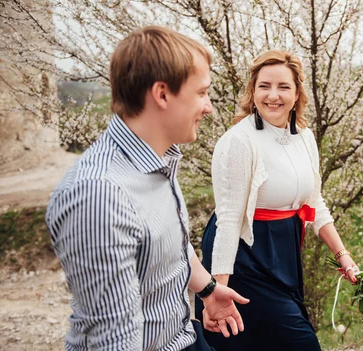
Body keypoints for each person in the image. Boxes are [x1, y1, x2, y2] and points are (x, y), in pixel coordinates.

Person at [45, 26, 249, 350]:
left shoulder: (159, 157)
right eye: (201, 93)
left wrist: (208, 289)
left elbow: (171, 244)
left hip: (186, 337)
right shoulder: (99, 196)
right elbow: (115, 341)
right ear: (162, 94)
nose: (208, 107)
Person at [196, 50, 359, 350]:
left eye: (283, 87)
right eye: (264, 86)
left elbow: (314, 203)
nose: (273, 95)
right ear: (253, 91)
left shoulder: (305, 137)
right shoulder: (239, 142)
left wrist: (343, 256)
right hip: (244, 257)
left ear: (297, 93)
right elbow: (229, 219)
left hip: (284, 252)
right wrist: (217, 288)